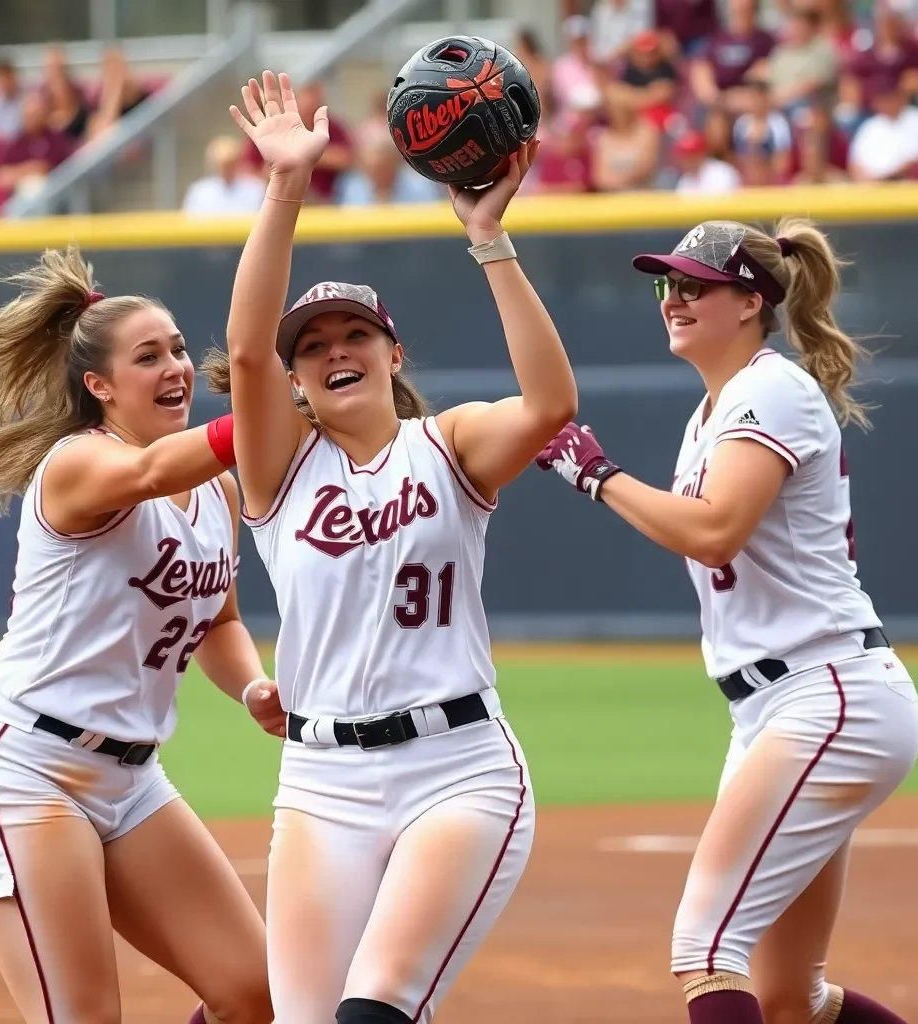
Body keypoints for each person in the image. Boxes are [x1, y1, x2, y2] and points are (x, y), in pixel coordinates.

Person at [211, 71, 578, 1024]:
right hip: (320, 780)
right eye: (315, 343)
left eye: (356, 334)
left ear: (392, 352)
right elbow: (245, 349)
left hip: (454, 769)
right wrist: (286, 183)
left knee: (373, 1013)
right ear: (295, 377)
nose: (335, 349)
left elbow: (548, 406)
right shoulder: (277, 475)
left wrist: (489, 240)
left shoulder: (450, 445)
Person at [535, 218, 918, 1024]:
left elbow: (714, 529)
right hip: (782, 706)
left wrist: (597, 475)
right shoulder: (711, 411)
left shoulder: (768, 387)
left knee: (706, 950)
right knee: (790, 998)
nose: (672, 300)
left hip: (827, 696)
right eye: (665, 286)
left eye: (693, 286)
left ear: (750, 301)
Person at [0, 246, 274, 1024]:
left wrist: (251, 683)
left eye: (179, 348)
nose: (176, 366)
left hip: (130, 778)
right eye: (148, 356)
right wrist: (264, 411)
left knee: (255, 993)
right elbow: (152, 476)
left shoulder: (214, 488)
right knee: (83, 1016)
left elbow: (219, 620)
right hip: (20, 769)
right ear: (100, 386)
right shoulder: (79, 463)